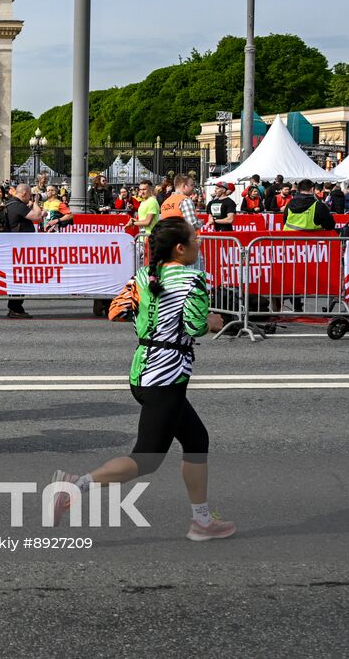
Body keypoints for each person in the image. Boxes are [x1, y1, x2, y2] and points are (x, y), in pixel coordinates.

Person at [50, 217, 235, 542]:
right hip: (166, 376)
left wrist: (151, 317)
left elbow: (116, 311)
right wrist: (214, 321)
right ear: (180, 248)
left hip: (143, 369)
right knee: (146, 458)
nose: (199, 242)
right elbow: (194, 327)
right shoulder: (193, 280)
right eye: (194, 238)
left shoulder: (144, 276)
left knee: (196, 440)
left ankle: (202, 520)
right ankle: (75, 485)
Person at [0, 182, 43, 318]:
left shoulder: (11, 204)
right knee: (19, 279)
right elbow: (38, 217)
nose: (30, 197)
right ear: (24, 194)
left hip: (16, 247)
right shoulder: (18, 205)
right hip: (19, 249)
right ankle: (15, 307)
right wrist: (35, 202)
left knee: (17, 279)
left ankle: (15, 307)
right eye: (29, 195)